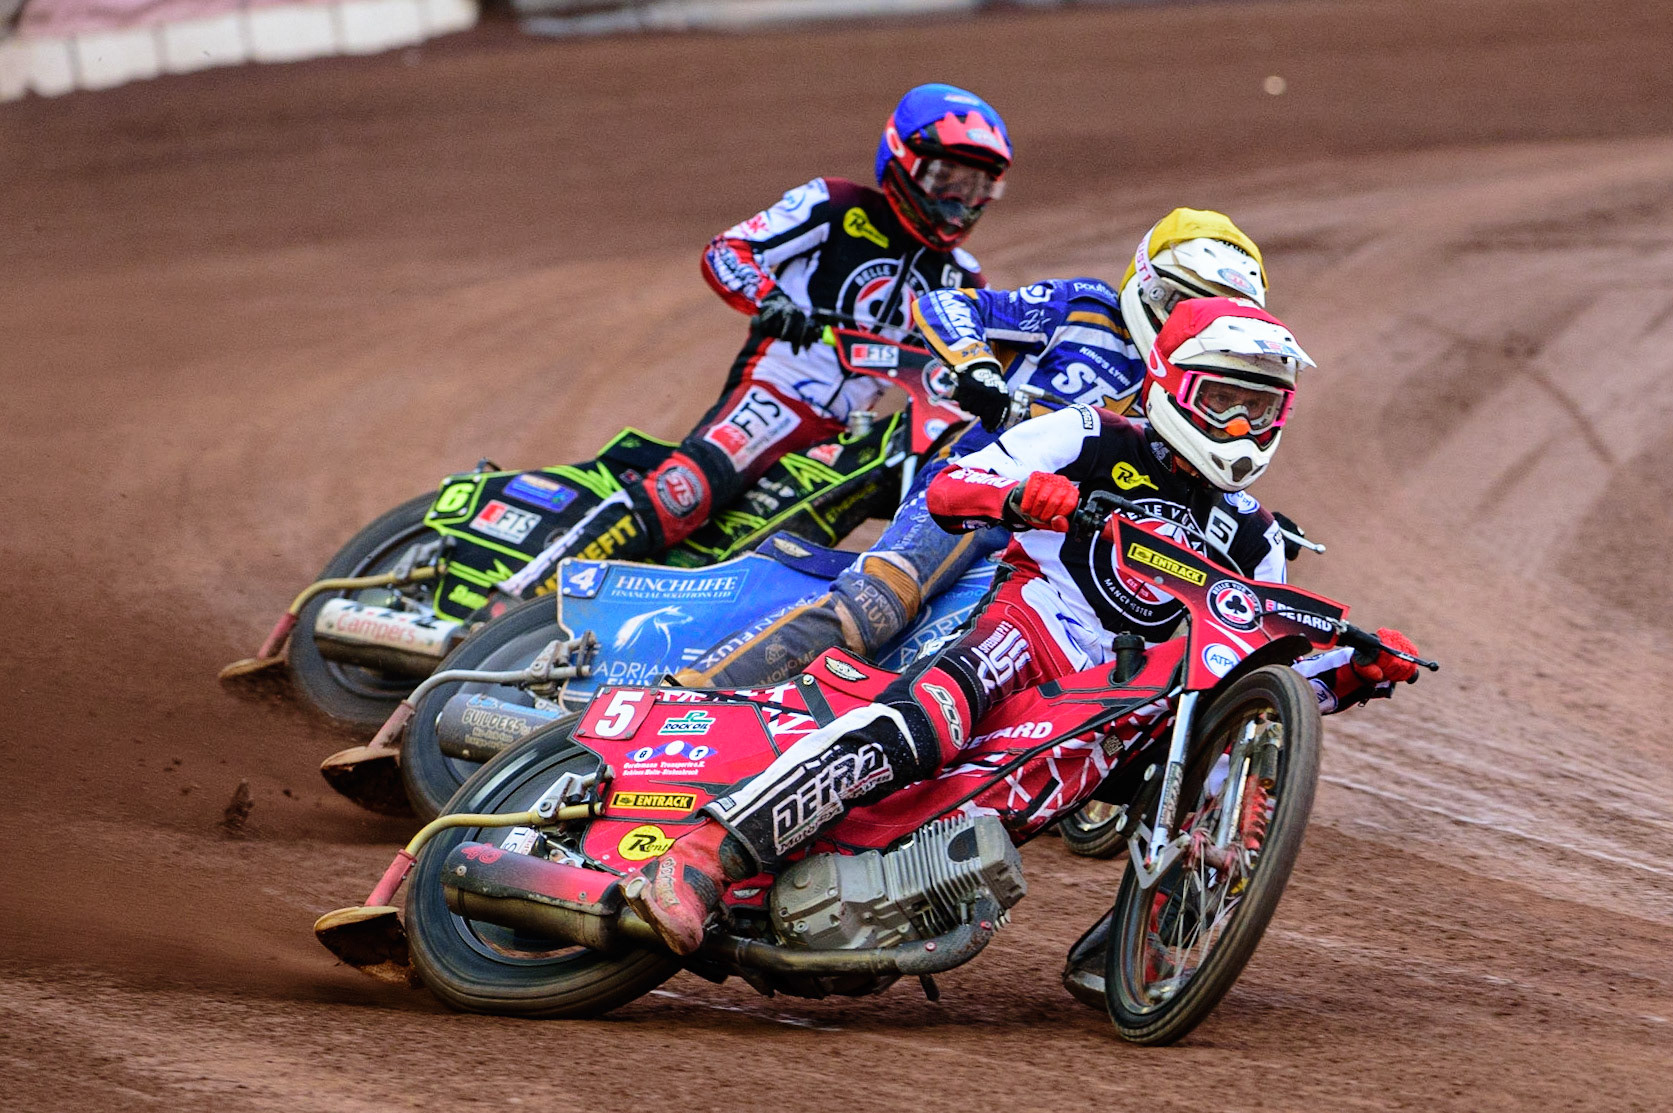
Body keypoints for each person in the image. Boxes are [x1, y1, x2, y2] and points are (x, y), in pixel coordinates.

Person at [622, 297, 1423, 956]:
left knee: (1215, 775)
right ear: (1173, 385)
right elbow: (954, 485)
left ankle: (1131, 944)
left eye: (1261, 409)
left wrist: (1350, 675)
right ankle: (702, 858)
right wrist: (1022, 496)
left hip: (1127, 702)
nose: (1243, 428)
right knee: (926, 725)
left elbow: (1259, 669)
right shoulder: (1092, 433)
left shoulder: (1253, 535)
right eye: (1224, 402)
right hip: (1028, 629)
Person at [673, 208, 1272, 687]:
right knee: (879, 605)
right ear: (1149, 289)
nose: (1194, 323)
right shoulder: (1085, 310)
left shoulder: (1206, 386)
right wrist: (977, 367)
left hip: (1083, 547)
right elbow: (944, 303)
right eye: (1186, 304)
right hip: (977, 498)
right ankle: (695, 691)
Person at [497, 84, 1012, 599]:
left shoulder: (964, 279)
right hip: (775, 393)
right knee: (685, 494)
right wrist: (771, 302)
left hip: (847, 434)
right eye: (944, 179)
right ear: (901, 159)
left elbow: (990, 358)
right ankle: (515, 599)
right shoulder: (835, 204)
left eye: (975, 188)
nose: (957, 202)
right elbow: (729, 250)